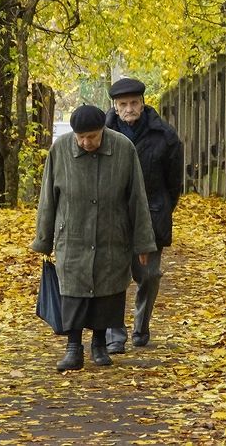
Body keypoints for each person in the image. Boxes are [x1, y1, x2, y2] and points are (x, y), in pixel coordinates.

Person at [31, 104, 158, 371]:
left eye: (92, 136)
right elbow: (47, 200)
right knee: (73, 293)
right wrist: (43, 239)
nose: (87, 142)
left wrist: (143, 243)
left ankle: (99, 344)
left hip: (112, 234)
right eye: (81, 138)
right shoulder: (60, 150)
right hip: (72, 235)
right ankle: (73, 348)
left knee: (108, 291)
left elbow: (137, 198)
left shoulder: (123, 149)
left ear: (103, 130)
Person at [104, 78, 183, 353]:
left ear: (143, 102)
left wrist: (161, 209)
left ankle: (141, 325)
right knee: (112, 276)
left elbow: (175, 183)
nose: (129, 109)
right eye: (123, 104)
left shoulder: (165, 136)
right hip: (114, 216)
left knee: (148, 275)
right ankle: (115, 333)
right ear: (114, 106)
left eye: (134, 103)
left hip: (152, 215)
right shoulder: (103, 133)